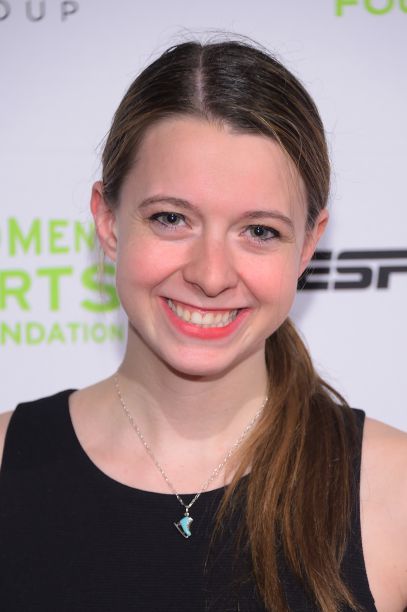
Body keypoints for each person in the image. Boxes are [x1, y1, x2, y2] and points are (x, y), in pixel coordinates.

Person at [0, 38, 406, 612]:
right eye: (172, 219)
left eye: (259, 231)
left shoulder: (395, 491)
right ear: (108, 222)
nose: (211, 275)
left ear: (309, 245)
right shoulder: (7, 464)